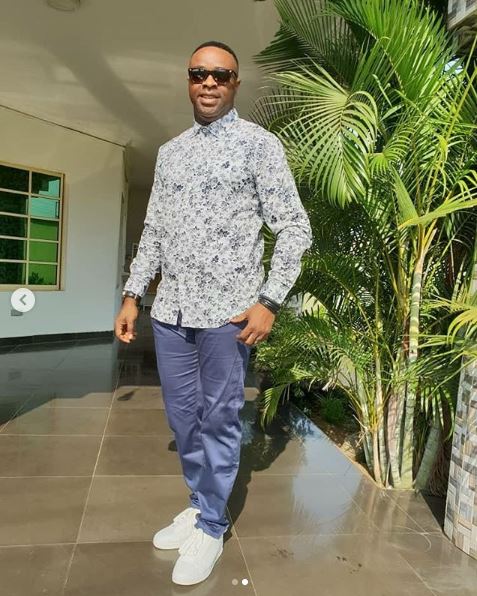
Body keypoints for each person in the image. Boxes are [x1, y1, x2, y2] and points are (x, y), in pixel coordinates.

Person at [114, 40, 313, 586]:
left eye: (220, 75)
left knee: (219, 419)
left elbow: (295, 228)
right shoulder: (170, 152)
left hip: (228, 316)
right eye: (199, 73)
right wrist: (132, 294)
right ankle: (200, 502)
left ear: (235, 84)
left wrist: (269, 300)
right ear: (188, 80)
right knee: (183, 419)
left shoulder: (259, 146)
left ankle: (211, 524)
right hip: (171, 314)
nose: (209, 82)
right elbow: (154, 231)